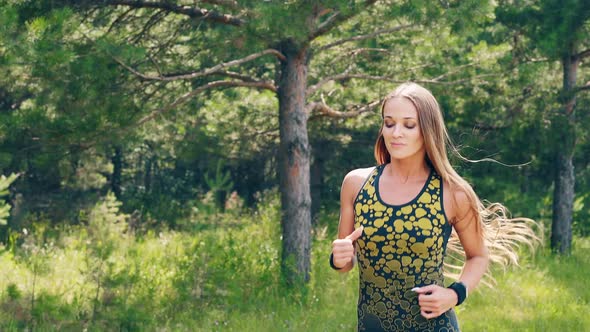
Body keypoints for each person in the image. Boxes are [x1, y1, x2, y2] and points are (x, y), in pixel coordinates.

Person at [330, 82, 539, 331]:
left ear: (427, 130)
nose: (396, 133)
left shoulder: (453, 193)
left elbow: (478, 256)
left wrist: (454, 294)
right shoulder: (355, 184)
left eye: (409, 125)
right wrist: (339, 257)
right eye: (389, 123)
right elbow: (344, 263)